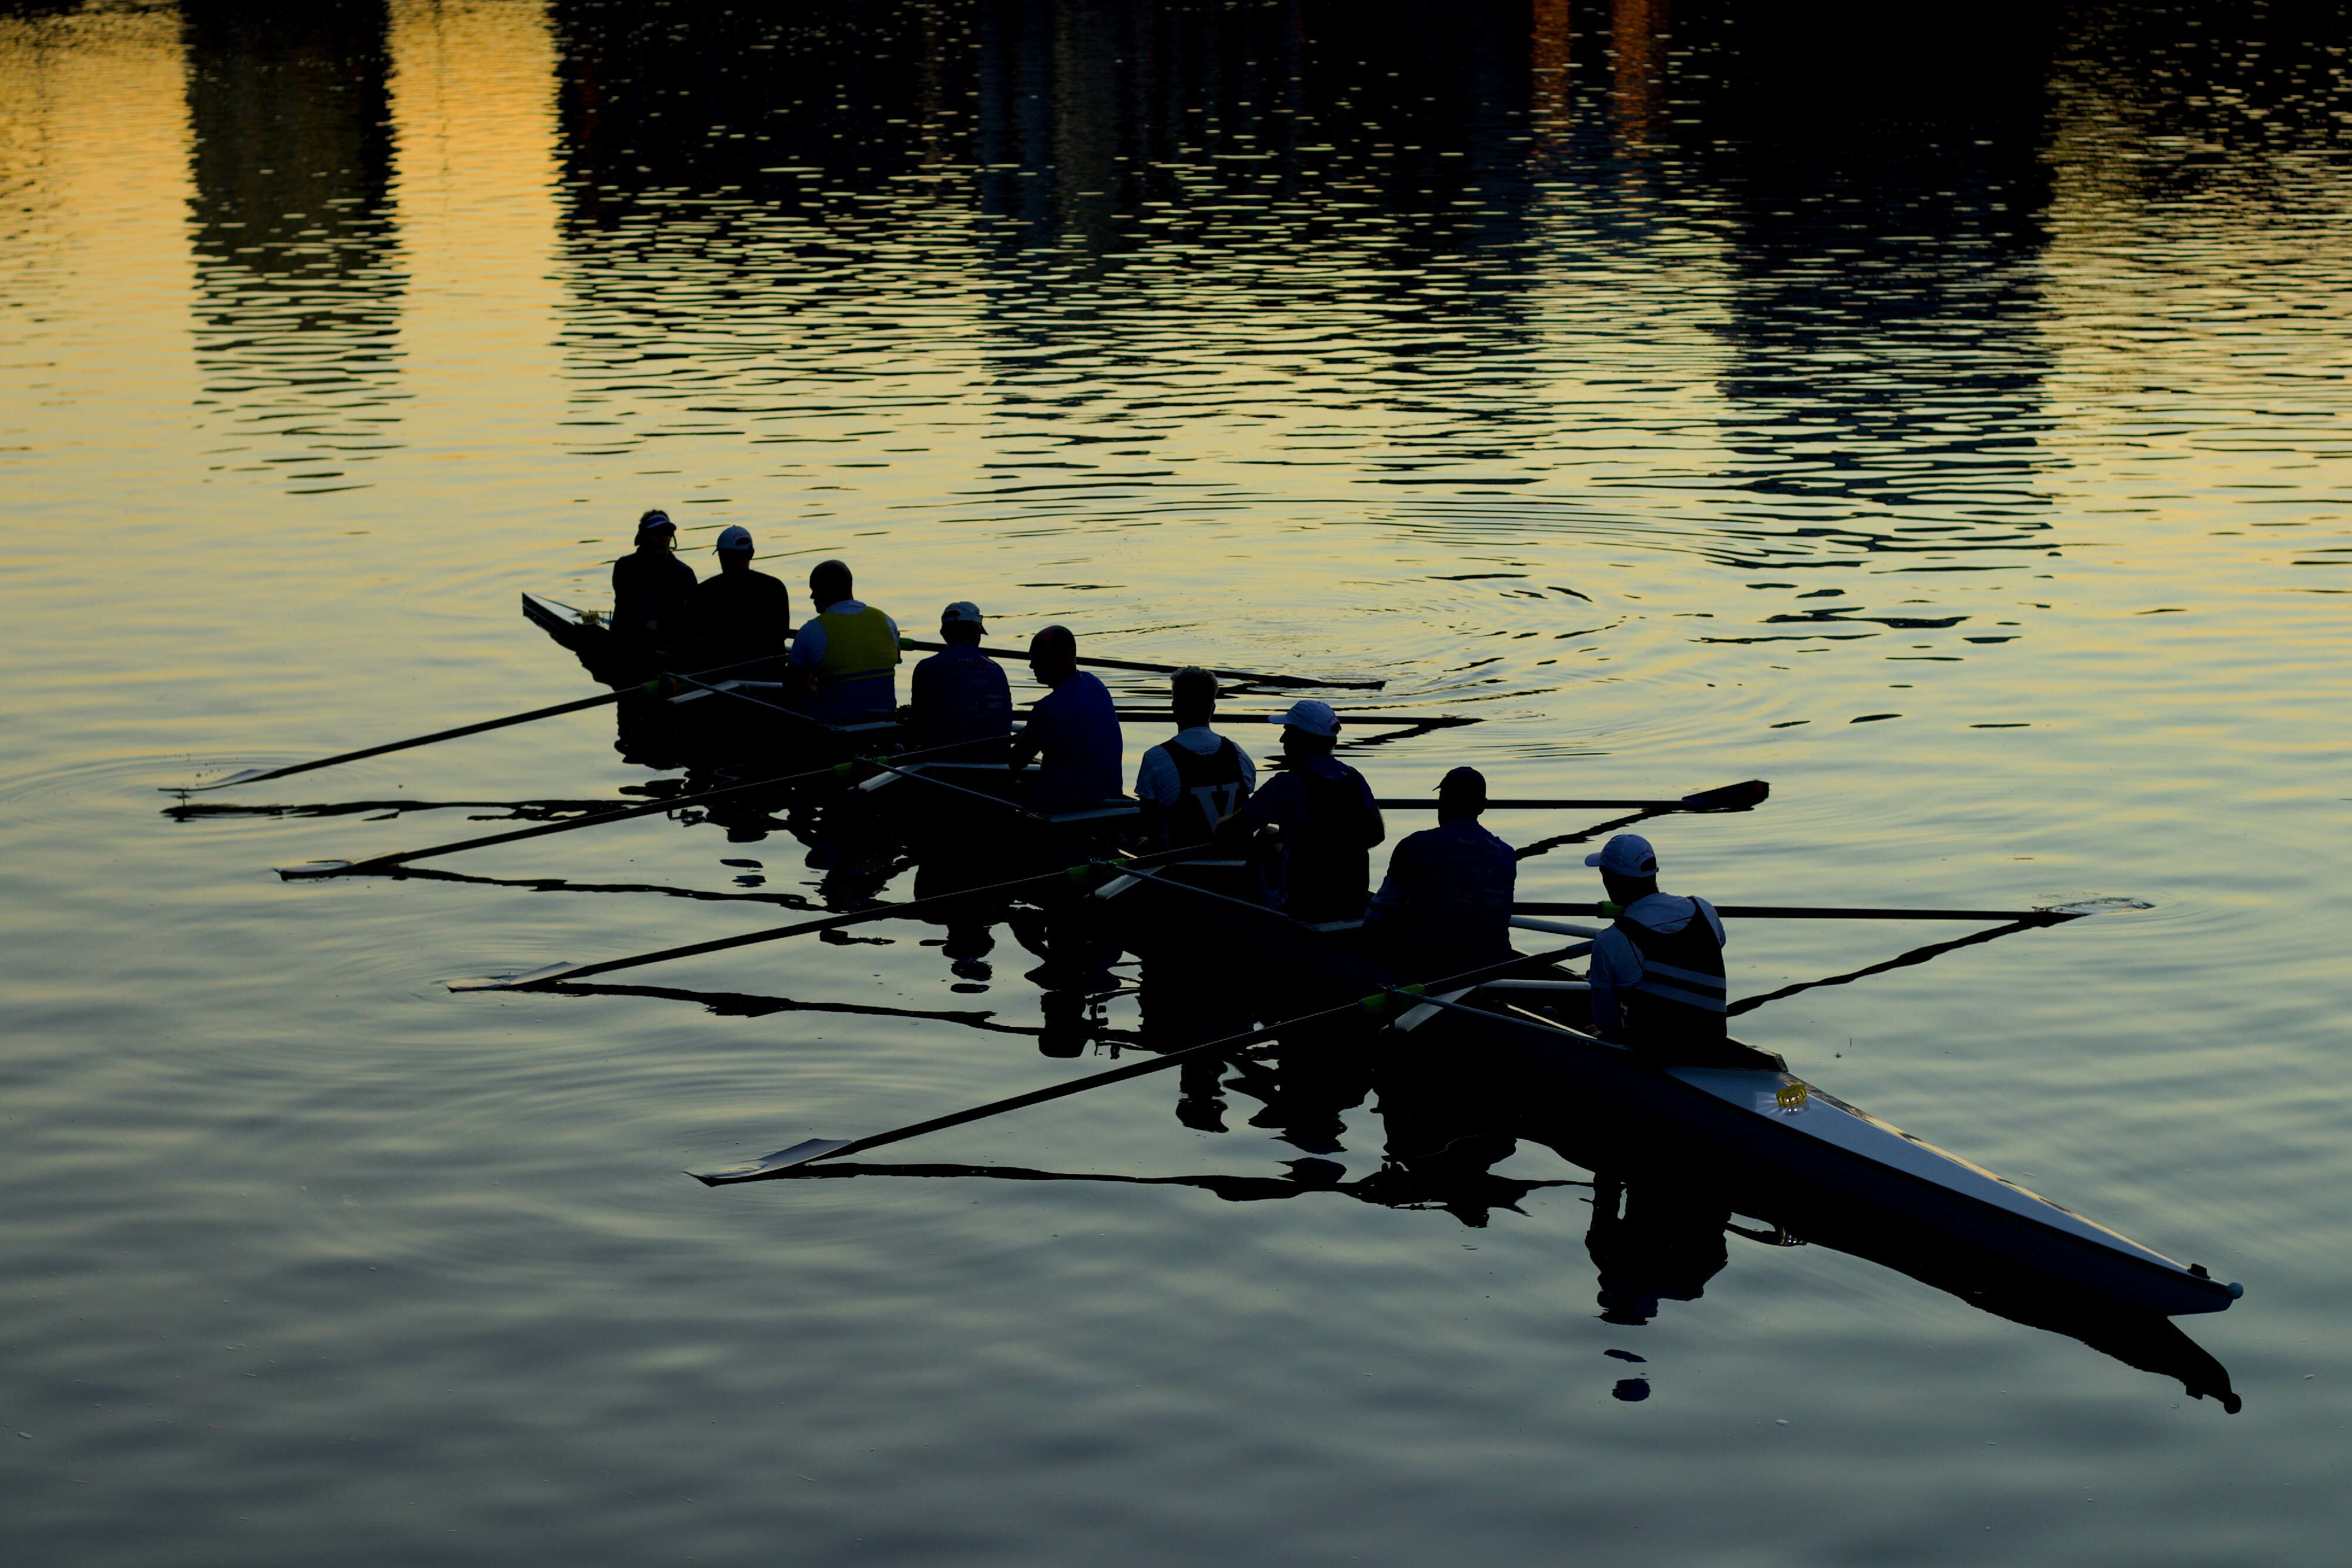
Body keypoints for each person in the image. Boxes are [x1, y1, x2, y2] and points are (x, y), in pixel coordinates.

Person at [1216, 700, 1384, 924]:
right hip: (1352, 898)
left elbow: (1229, 832)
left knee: (1263, 837)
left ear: (1303, 740)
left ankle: (1237, 925)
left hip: (1303, 905)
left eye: (1288, 732)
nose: (1282, 740)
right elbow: (1376, 834)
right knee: (1270, 835)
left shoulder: (1286, 784)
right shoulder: (1354, 778)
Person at [1582, 833, 1728, 1054]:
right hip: (1714, 1047)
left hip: (1656, 1057)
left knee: (1592, 1031)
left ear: (1608, 878)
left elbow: (1608, 1026)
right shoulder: (1704, 909)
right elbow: (1708, 947)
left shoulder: (1612, 939)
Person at [1364, 765, 1517, 970]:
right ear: (1482, 806)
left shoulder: (1415, 845)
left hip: (1429, 963)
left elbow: (1380, 915)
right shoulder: (1507, 854)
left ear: (1442, 801)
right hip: (1492, 962)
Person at [1133, 667, 1255, 849]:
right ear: (1213, 709)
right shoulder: (1240, 755)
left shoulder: (1156, 759)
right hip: (1238, 865)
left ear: (1174, 708)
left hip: (1181, 869)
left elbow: (1150, 825)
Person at [1006, 624, 1122, 810]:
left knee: (1006, 787)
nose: (1031, 665)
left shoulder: (1047, 708)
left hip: (1067, 804)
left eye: (1035, 656)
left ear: (1055, 656)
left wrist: (1023, 740)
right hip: (1111, 795)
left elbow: (1016, 762)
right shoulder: (1096, 684)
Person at [788, 559, 901, 722]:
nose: (812, 596)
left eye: (815, 589)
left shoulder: (812, 631)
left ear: (827, 590)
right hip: (885, 722)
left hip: (839, 727)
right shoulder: (887, 621)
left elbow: (791, 688)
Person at [907, 601, 1013, 753]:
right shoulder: (997, 668)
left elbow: (917, 723)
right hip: (996, 757)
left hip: (945, 761)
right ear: (977, 631)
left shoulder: (926, 667)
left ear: (943, 633)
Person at [688, 525, 792, 670]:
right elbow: (782, 632)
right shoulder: (776, 587)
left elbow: (689, 633)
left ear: (721, 556)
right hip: (769, 671)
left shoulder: (704, 590)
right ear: (752, 553)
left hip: (720, 672)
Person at [610, 509, 697, 656]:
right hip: (631, 641)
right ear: (644, 537)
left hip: (671, 645)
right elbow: (632, 605)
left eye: (666, 533)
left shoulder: (684, 573)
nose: (662, 538)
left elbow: (693, 614)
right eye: (656, 533)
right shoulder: (624, 567)